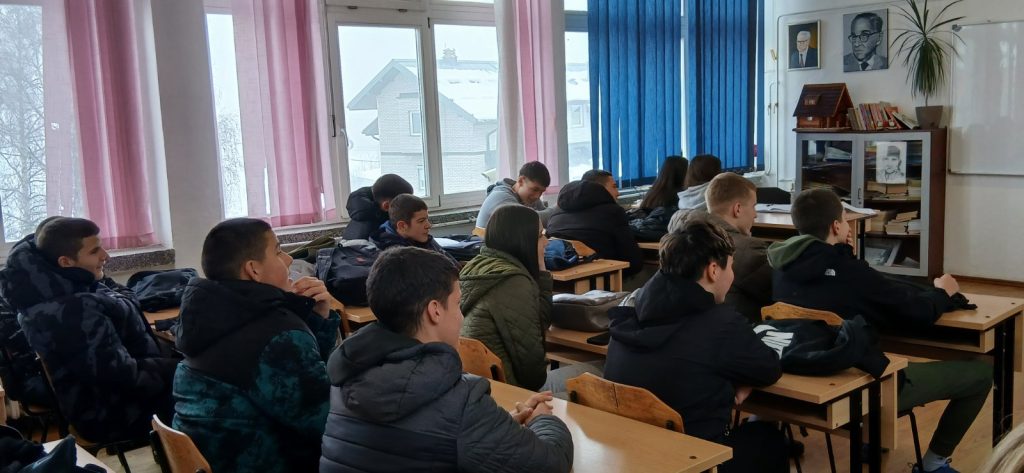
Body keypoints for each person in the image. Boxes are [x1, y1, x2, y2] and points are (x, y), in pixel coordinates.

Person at [768, 188, 991, 473]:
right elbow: (916, 313)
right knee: (981, 374)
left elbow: (834, 285)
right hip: (859, 381)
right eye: (845, 220)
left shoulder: (780, 267)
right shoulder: (851, 273)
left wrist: (842, 254)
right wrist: (942, 293)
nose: (847, 225)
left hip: (802, 369)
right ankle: (934, 465)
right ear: (836, 226)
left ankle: (873, 440)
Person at [320, 246, 573, 472]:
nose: (462, 317)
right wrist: (543, 419)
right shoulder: (460, 401)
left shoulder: (344, 380)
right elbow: (552, 463)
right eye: (458, 303)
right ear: (435, 311)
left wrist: (497, 428)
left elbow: (421, 437)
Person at [604, 220, 787, 473]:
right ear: (713, 270)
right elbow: (769, 369)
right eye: (731, 267)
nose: (732, 276)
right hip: (694, 462)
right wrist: (743, 380)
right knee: (769, 441)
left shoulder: (629, 313)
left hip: (629, 457)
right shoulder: (721, 324)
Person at [172, 218, 341, 472]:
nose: (288, 260)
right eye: (278, 251)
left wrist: (318, 318)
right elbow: (328, 422)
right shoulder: (276, 336)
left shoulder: (209, 315)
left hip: (210, 461)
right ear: (254, 269)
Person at [0, 217, 178, 444]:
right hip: (113, 414)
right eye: (94, 251)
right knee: (210, 394)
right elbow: (120, 376)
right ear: (66, 261)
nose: (106, 256)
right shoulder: (72, 310)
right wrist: (178, 368)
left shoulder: (60, 287)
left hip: (108, 400)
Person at [460, 205, 553, 390]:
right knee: (594, 369)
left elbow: (537, 323)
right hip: (511, 393)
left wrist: (541, 270)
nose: (547, 242)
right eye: (540, 235)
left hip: (477, 386)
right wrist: (542, 272)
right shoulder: (514, 282)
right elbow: (534, 375)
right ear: (523, 240)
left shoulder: (476, 267)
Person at [669, 173, 769, 323]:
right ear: (738, 209)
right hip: (738, 326)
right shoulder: (748, 249)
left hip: (690, 322)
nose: (755, 215)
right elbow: (775, 292)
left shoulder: (682, 233)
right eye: (754, 206)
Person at [547, 170, 644, 276]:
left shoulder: (556, 211)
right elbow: (634, 263)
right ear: (600, 189)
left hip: (556, 275)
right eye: (614, 187)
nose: (618, 193)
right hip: (599, 278)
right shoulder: (613, 212)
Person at [369, 193, 456, 263]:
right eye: (421, 221)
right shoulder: (398, 257)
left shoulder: (421, 238)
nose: (429, 225)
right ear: (402, 226)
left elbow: (452, 264)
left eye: (427, 219)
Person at [476, 161, 554, 228]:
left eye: (541, 192)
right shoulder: (501, 196)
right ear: (521, 181)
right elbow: (530, 221)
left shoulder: (529, 197)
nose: (537, 196)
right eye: (535, 189)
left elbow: (549, 220)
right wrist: (559, 207)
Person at [343, 174, 414, 240]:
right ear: (386, 206)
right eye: (404, 204)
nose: (407, 208)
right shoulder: (377, 233)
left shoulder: (366, 214)